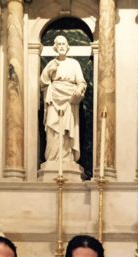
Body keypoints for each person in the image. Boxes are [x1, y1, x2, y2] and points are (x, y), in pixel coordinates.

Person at [41, 35, 88, 168]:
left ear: (67, 47)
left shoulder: (74, 64)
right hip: (53, 99)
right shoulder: (51, 64)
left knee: (67, 131)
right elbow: (42, 82)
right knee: (52, 129)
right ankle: (52, 158)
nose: (61, 46)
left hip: (69, 100)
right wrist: (49, 72)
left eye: (64, 44)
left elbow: (81, 82)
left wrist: (79, 90)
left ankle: (67, 158)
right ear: (55, 47)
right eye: (59, 44)